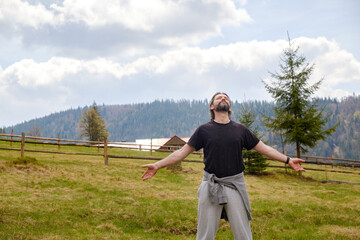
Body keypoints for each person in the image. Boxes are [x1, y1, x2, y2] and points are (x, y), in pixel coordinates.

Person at [141, 92, 305, 240]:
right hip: (210, 185)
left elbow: (264, 149)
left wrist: (288, 160)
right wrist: (157, 165)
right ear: (212, 106)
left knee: (244, 235)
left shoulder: (240, 130)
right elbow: (181, 153)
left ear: (230, 106)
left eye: (226, 97)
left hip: (235, 185)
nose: (223, 98)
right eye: (218, 97)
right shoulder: (203, 130)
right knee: (204, 235)